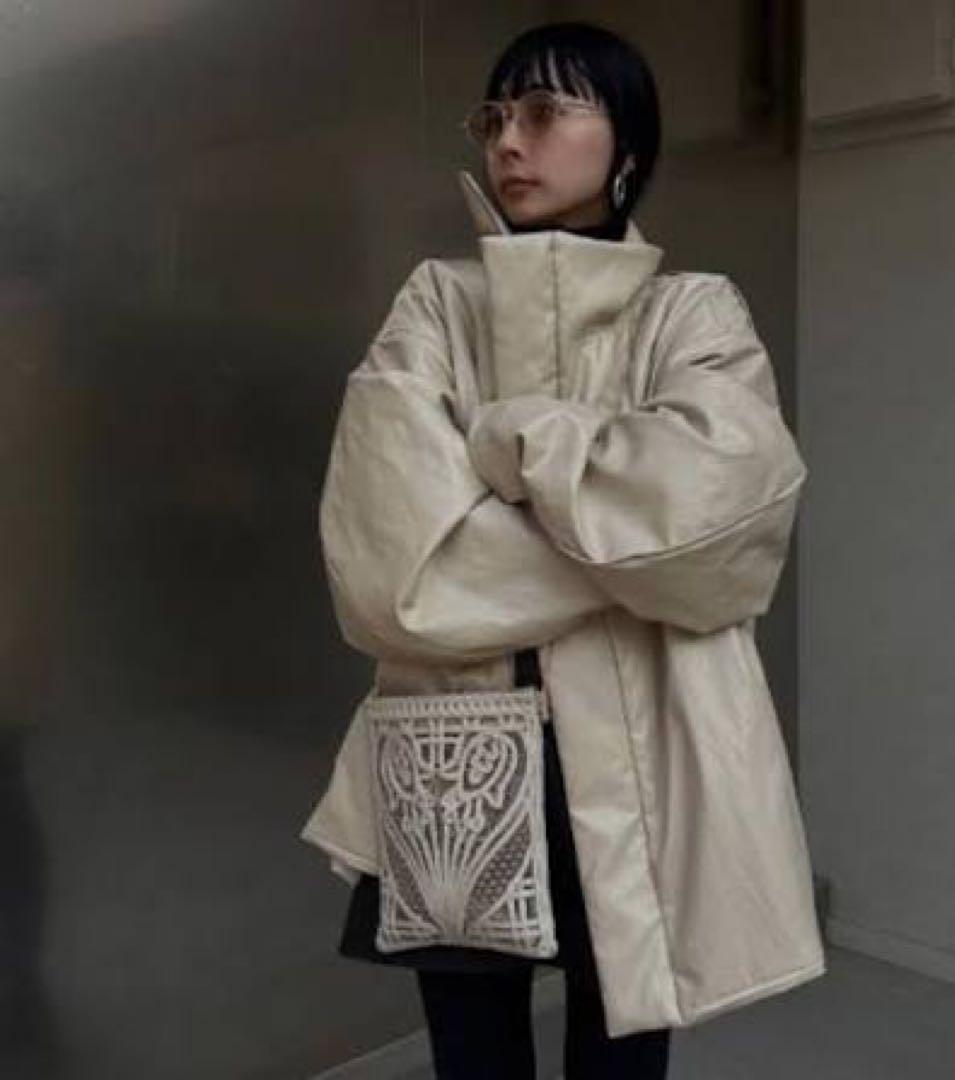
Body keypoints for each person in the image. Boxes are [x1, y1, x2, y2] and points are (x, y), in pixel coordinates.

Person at [301, 18, 826, 1080]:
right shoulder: (436, 305)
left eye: (544, 112)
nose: (509, 140)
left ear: (627, 142)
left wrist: (515, 440)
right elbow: (392, 569)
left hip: (651, 748)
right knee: (472, 1057)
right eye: (496, 115)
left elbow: (724, 525)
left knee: (623, 1051)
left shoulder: (693, 313)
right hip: (455, 751)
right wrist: (628, 557)